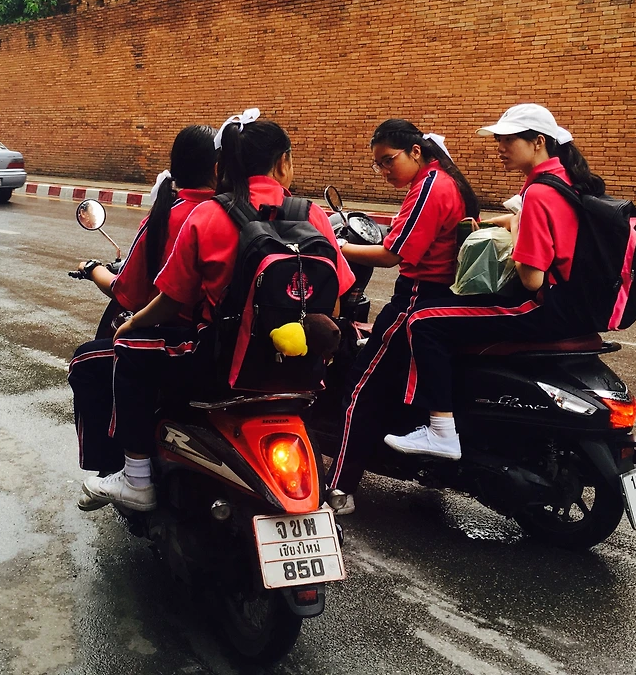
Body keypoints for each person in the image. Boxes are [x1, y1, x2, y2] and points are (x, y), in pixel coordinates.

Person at [80, 115, 356, 511]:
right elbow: (336, 298)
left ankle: (136, 478)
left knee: (127, 350)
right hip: (301, 368)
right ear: (283, 163)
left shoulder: (208, 215)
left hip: (219, 368)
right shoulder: (312, 214)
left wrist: (132, 325)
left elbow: (171, 300)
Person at [384, 103, 606, 461]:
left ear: (538, 141)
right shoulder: (566, 180)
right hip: (572, 304)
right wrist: (500, 224)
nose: (500, 148)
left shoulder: (538, 193)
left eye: (508, 140)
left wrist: (516, 231)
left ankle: (441, 432)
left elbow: (531, 279)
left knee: (423, 320)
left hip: (541, 306)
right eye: (498, 140)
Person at [326, 119, 480, 515]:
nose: (383, 170)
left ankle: (339, 489)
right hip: (443, 293)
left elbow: (392, 254)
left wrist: (336, 246)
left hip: (417, 296)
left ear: (415, 152)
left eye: (388, 160)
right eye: (377, 164)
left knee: (360, 389)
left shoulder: (430, 186)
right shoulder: (447, 180)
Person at [69, 125, 218, 503]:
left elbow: (135, 294)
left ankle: (121, 471)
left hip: (191, 343)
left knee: (88, 361)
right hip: (248, 343)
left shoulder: (183, 216)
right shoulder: (249, 212)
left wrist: (94, 270)